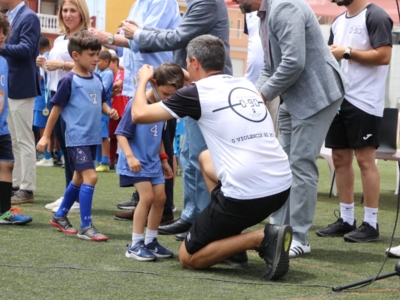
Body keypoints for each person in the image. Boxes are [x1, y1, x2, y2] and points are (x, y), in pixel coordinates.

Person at [131, 34, 292, 279]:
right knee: (206, 158)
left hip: (247, 195)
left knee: (188, 257)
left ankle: (261, 238)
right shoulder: (246, 85)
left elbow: (139, 114)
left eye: (187, 63)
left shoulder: (196, 93)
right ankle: (231, 245)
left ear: (194, 62)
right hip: (281, 186)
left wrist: (142, 80)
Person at [234, 0, 350, 258]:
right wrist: (253, 95)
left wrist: (263, 94)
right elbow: (270, 66)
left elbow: (294, 62)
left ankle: (299, 236)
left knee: (300, 163)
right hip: (293, 98)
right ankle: (277, 229)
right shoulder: (263, 15)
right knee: (281, 164)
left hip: (317, 96)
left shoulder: (285, 7)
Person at [120, 0, 233, 239]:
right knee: (190, 155)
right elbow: (176, 34)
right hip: (194, 85)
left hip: (205, 88)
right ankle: (191, 216)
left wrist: (138, 34)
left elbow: (178, 37)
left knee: (201, 156)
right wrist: (142, 32)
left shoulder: (207, 2)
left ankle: (203, 221)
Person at [88, 0, 181, 216]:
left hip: (158, 84)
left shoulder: (162, 2)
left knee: (161, 140)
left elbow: (144, 39)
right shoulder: (140, 2)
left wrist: (108, 38)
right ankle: (143, 201)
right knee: (144, 142)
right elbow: (133, 38)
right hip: (140, 84)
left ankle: (163, 206)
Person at [316, 0, 392, 243]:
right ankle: (347, 219)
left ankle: (371, 224)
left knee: (365, 161)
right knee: (340, 159)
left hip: (365, 102)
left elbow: (384, 56)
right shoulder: (338, 21)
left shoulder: (376, 15)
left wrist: (347, 51)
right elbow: (329, 58)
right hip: (340, 100)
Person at [37, 31, 118, 241]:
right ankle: (86, 226)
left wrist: (108, 110)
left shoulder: (98, 78)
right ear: (75, 55)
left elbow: (101, 101)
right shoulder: (69, 81)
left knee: (79, 179)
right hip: (76, 138)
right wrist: (46, 136)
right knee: (91, 177)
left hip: (92, 138)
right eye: (91, 54)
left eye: (97, 54)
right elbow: (55, 110)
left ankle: (60, 216)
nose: (96, 59)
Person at [118, 62, 183, 261]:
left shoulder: (161, 108)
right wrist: (130, 157)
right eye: (166, 93)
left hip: (153, 162)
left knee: (161, 199)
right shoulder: (136, 104)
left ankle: (151, 241)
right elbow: (121, 133)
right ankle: (135, 244)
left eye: (173, 95)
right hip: (136, 161)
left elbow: (160, 136)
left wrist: (164, 160)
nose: (169, 99)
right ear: (153, 83)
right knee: (146, 197)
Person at [37, 0, 91, 213]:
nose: (68, 14)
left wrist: (60, 64)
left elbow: (87, 65)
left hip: (75, 98)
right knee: (66, 148)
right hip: (55, 94)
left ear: (81, 13)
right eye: (65, 10)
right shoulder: (60, 39)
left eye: (72, 10)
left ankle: (76, 198)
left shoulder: (86, 38)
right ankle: (70, 193)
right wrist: (45, 62)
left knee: (73, 148)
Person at [0, 0, 41, 204]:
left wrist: (1, 47)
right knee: (14, 138)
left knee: (24, 139)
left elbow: (26, 49)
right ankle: (15, 183)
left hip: (22, 85)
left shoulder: (29, 17)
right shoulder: (12, 16)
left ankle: (27, 188)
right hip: (10, 85)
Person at [0, 12, 32, 225]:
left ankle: (3, 212)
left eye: (3, 32)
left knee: (8, 164)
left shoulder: (3, 61)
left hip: (1, 127)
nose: (1, 36)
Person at [243, 10, 279, 136]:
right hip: (251, 83)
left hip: (274, 84)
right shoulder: (247, 9)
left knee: (272, 136)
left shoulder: (277, 6)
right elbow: (254, 43)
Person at [35, 35, 54, 167]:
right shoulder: (53, 54)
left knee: (43, 127)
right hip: (50, 94)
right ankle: (56, 156)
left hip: (43, 96)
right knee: (53, 128)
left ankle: (47, 156)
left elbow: (40, 77)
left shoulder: (44, 57)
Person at [95, 50, 114, 172]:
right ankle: (97, 161)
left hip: (104, 107)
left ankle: (105, 162)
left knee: (103, 135)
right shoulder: (99, 71)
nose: (97, 63)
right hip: (96, 106)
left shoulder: (108, 73)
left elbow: (102, 88)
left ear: (106, 61)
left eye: (99, 61)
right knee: (97, 135)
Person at [108, 54, 128, 170]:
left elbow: (119, 83)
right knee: (113, 137)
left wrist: (109, 87)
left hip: (123, 109)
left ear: (114, 62)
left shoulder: (121, 72)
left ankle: (123, 160)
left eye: (108, 62)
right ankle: (111, 160)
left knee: (124, 136)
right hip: (113, 109)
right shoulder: (109, 74)